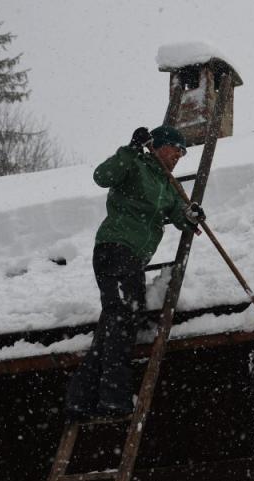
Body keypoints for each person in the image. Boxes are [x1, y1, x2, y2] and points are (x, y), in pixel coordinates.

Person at [64, 125, 206, 420]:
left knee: (115, 320)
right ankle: (113, 397)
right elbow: (102, 176)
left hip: (133, 258)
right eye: (176, 149)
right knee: (124, 317)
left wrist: (190, 216)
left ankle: (79, 400)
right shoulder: (135, 164)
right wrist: (129, 149)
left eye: (183, 152)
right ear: (160, 146)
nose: (180, 155)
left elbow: (179, 215)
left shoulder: (166, 184)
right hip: (115, 249)